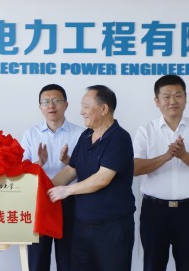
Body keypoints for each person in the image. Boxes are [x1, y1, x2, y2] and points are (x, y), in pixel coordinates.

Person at [48, 85, 135, 271]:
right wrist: (43, 189)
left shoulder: (119, 138)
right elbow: (70, 171)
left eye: (86, 106)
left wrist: (67, 191)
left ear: (103, 109)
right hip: (82, 227)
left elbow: (102, 179)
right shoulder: (86, 136)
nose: (81, 112)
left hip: (112, 229)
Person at [133, 74, 189, 271]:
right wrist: (166, 156)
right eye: (167, 96)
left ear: (186, 98)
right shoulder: (146, 131)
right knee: (152, 265)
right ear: (157, 101)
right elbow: (134, 168)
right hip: (154, 211)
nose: (173, 101)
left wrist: (183, 155)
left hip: (188, 212)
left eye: (178, 95)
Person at [21, 84, 84, 271]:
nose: (51, 106)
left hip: (69, 200)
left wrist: (69, 162)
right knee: (37, 259)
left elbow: (89, 170)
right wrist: (39, 163)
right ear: (40, 107)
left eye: (56, 100)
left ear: (66, 104)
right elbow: (20, 171)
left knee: (68, 259)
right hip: (40, 202)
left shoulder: (81, 134)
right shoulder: (31, 134)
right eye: (46, 102)